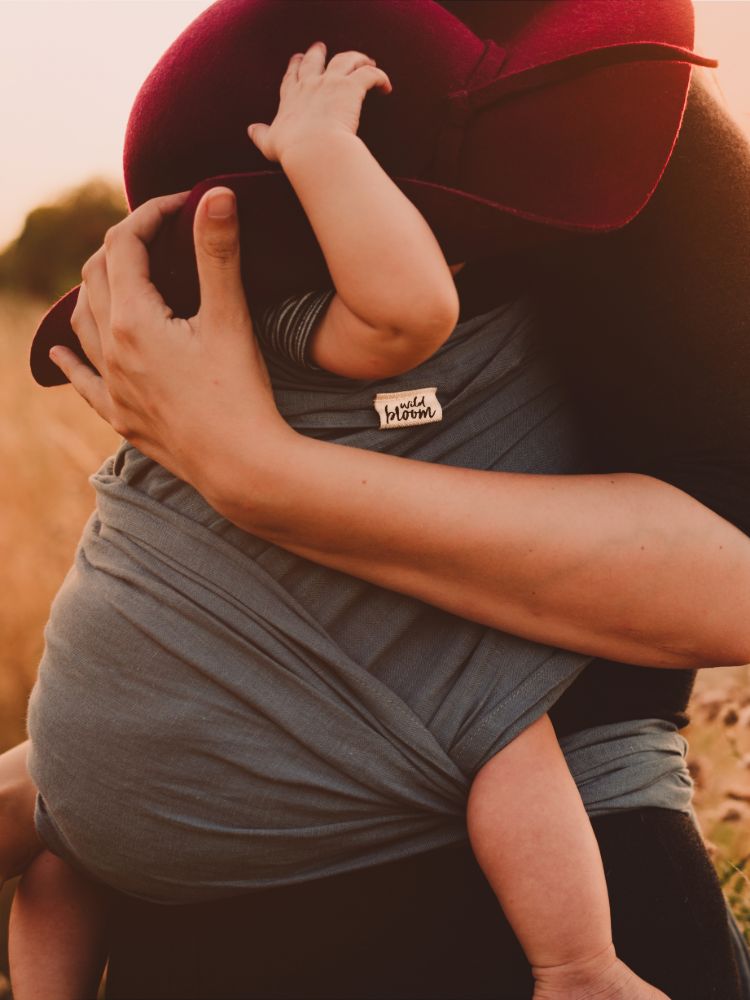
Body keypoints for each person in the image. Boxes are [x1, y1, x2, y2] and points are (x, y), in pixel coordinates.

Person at [18, 3, 750, 998]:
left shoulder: (629, 111)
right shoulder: (276, 267)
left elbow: (735, 583)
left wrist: (259, 475)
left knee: (508, 744)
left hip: (541, 767)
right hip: (197, 835)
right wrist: (107, 750)